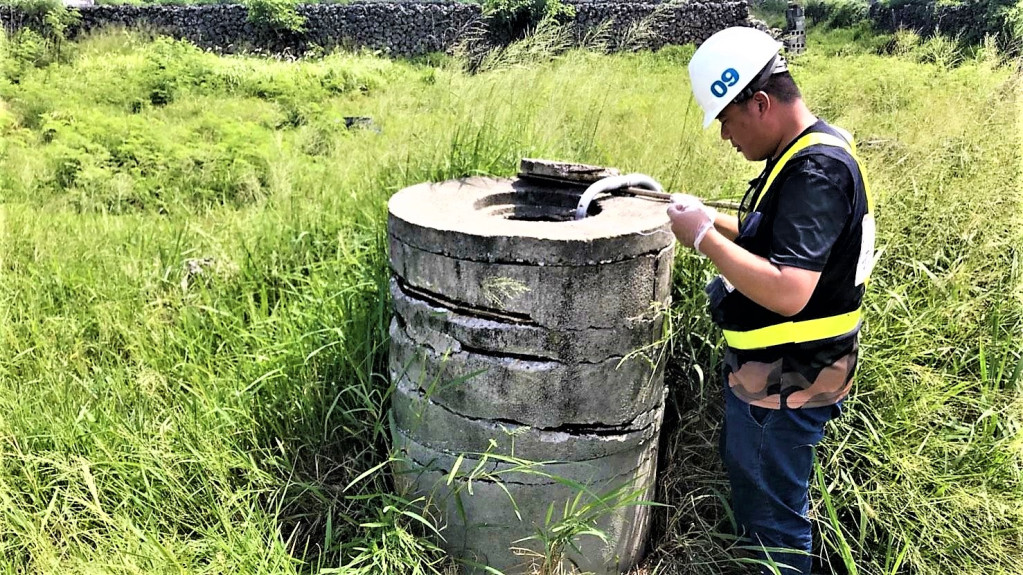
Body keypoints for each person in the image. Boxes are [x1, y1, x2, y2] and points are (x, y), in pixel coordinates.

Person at [666, 27, 876, 575]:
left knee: (773, 527)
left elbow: (788, 288)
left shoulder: (817, 171)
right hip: (779, 379)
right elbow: (772, 240)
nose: (725, 137)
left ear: (759, 103)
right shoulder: (805, 153)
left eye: (727, 121)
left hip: (786, 383)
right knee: (770, 507)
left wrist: (702, 239)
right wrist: (710, 219)